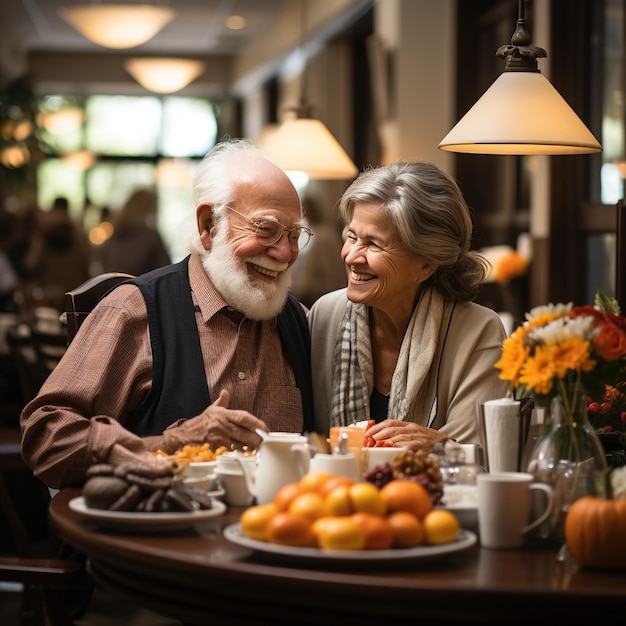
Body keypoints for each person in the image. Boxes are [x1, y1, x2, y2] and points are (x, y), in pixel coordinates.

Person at [19, 139, 314, 624]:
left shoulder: (299, 323)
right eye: (265, 229)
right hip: (146, 579)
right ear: (208, 224)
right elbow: (45, 435)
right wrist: (166, 444)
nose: (283, 253)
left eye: (295, 235)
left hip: (274, 577)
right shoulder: (136, 311)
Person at [308, 160, 510, 451]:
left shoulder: (478, 331)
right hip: (335, 495)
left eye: (374, 244)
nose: (352, 256)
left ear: (426, 265)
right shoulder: (324, 316)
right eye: (351, 237)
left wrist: (443, 447)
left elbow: (486, 453)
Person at [94, 187, 171, 276]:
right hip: (140, 287)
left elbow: (100, 260)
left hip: (113, 286)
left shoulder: (116, 231)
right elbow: (165, 271)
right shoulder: (150, 238)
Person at [290, 196, 346, 308]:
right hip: (302, 291)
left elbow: (332, 266)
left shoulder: (325, 234)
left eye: (306, 210)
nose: (305, 214)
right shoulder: (303, 232)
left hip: (321, 290)